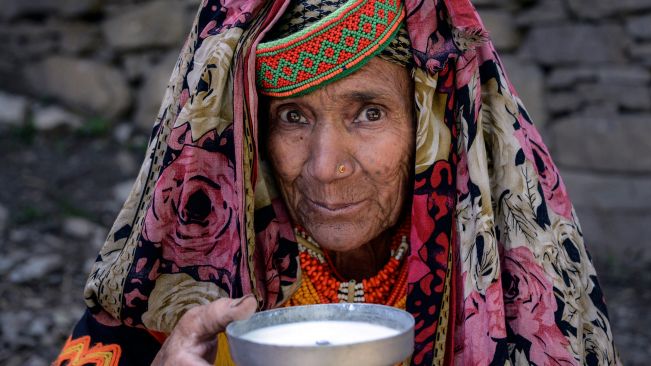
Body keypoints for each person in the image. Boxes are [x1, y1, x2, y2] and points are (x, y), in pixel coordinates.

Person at [53, 0, 621, 365]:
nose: (325, 166)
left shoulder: (507, 287)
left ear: (430, 123)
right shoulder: (187, 273)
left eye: (369, 112)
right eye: (292, 117)